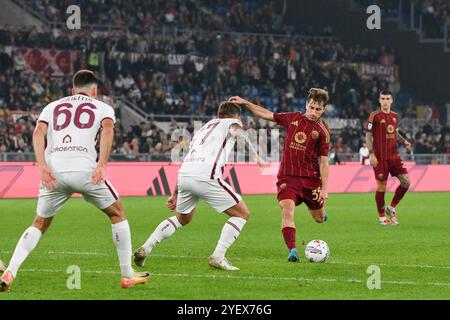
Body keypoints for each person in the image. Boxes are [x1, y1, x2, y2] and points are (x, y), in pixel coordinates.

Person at [0, 70, 149, 292]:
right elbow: (107, 131)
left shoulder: (52, 106)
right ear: (95, 91)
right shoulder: (103, 107)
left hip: (54, 172)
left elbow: (37, 133)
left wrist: (41, 166)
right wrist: (102, 164)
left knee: (39, 222)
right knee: (117, 213)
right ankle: (127, 275)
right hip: (85, 171)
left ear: (72, 90)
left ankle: (9, 273)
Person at [134, 101, 263, 271]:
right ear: (235, 116)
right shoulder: (232, 122)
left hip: (185, 176)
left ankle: (146, 247)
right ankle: (218, 256)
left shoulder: (202, 129)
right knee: (242, 214)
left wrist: (175, 194)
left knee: (182, 218)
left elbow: (187, 159)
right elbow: (239, 133)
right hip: (206, 176)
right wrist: (256, 156)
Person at [229, 88, 331, 262]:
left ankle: (321, 213)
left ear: (324, 110)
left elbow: (323, 162)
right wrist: (246, 103)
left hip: (311, 179)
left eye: (318, 109)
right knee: (287, 210)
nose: (313, 112)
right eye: (311, 107)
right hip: (288, 178)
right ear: (306, 104)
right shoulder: (293, 118)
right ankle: (292, 250)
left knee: (319, 219)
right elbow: (267, 114)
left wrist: (324, 188)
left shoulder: (323, 131)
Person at [365, 90, 412, 225]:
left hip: (394, 156)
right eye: (383, 98)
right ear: (379, 100)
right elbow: (368, 135)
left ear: (391, 100)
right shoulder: (374, 116)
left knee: (406, 182)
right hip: (379, 157)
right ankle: (381, 217)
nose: (385, 101)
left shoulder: (395, 116)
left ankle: (391, 208)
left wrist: (404, 142)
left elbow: (394, 132)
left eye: (388, 98)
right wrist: (371, 153)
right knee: (382, 186)